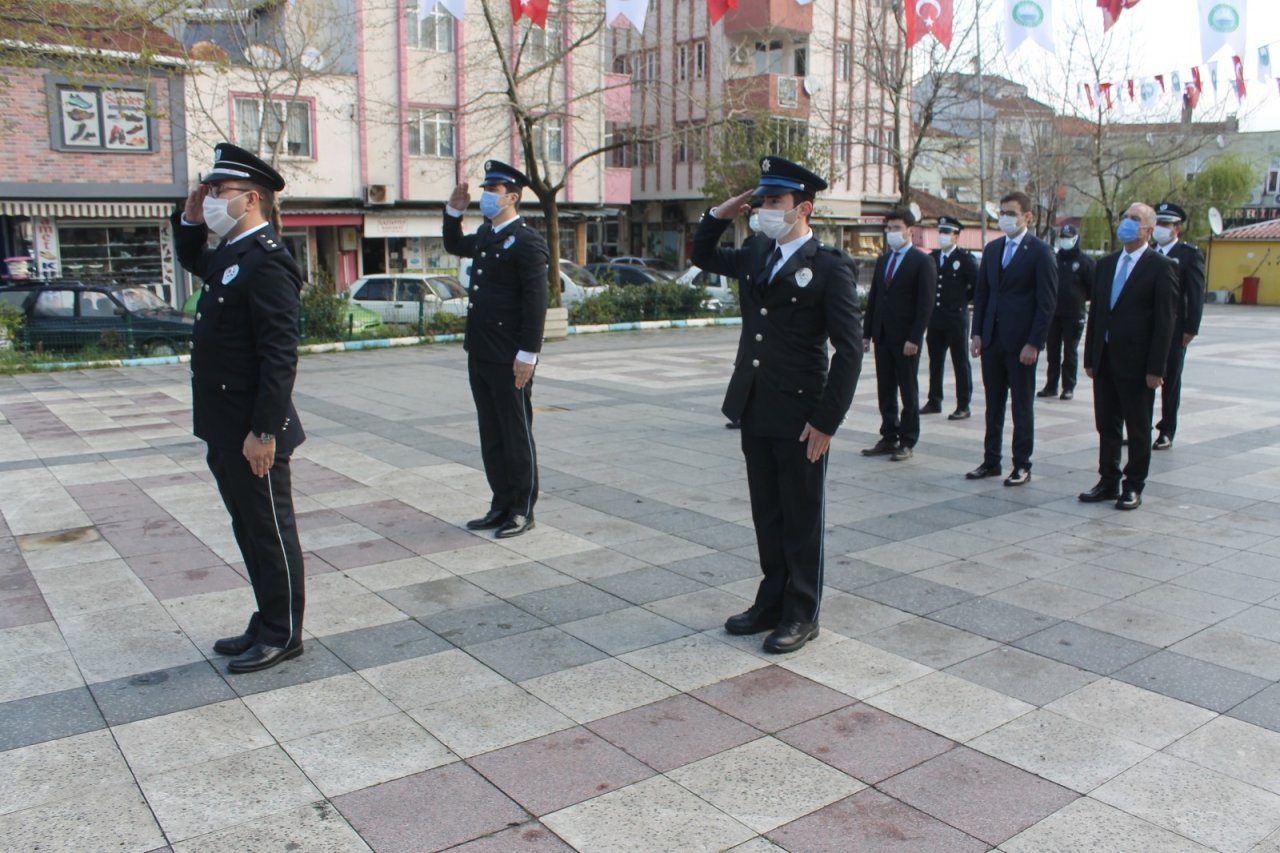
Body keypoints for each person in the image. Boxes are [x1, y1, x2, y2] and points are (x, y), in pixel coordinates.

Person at [692, 156, 862, 654]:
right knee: (767, 512)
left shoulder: (829, 267)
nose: (765, 208)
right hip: (755, 405)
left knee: (801, 515)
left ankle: (801, 611)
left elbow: (849, 351)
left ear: (803, 208)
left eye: (775, 201)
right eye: (762, 200)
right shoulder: (757, 251)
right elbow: (703, 254)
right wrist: (723, 211)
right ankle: (770, 600)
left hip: (802, 413)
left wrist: (827, 421)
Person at [174, 143, 306, 674]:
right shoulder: (233, 253)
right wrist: (189, 219)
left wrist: (264, 431)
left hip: (254, 430)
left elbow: (280, 356)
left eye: (218, 192)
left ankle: (284, 632)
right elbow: (192, 258)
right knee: (248, 528)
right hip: (225, 425)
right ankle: (265, 618)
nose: (209, 198)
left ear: (250, 199)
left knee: (271, 529)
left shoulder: (269, 262)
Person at [444, 160, 549, 539]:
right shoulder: (488, 236)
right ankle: (500, 503)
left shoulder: (527, 241)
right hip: (482, 352)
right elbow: (454, 244)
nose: (487, 197)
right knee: (491, 432)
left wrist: (528, 354)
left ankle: (522, 509)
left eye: (493, 192)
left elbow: (537, 302)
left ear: (513, 197)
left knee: (516, 432)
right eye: (485, 191)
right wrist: (454, 210)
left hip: (510, 357)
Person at [1079, 203, 1177, 510]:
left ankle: (1133, 484)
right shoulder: (1106, 265)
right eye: (1125, 218)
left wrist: (1156, 367)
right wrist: (1091, 356)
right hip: (1106, 358)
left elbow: (1165, 323)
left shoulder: (1161, 267)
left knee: (1137, 427)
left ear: (1148, 229)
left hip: (1137, 364)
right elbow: (1096, 313)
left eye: (1134, 220)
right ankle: (1107, 480)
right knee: (1106, 424)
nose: (1127, 223)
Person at [967, 191, 1058, 486]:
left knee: (1021, 405)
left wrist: (1035, 342)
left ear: (1027, 216)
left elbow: (1046, 303)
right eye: (1002, 213)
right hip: (992, 340)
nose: (1005, 218)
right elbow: (982, 294)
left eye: (1011, 213)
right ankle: (991, 460)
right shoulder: (993, 250)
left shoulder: (1040, 252)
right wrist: (977, 332)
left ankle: (1022, 464)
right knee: (993, 405)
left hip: (1021, 344)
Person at [862, 207, 937, 461]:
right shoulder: (884, 260)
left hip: (906, 339)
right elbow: (874, 298)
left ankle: (907, 439)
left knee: (908, 390)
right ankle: (889, 435)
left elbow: (924, 305)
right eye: (888, 228)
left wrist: (915, 338)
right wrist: (866, 333)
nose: (891, 233)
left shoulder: (922, 261)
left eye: (896, 228)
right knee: (885, 388)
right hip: (883, 335)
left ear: (909, 230)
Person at [1151, 201, 1205, 450]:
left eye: (1166, 224)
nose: (1160, 228)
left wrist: (1190, 328)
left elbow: (1195, 295)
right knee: (1144, 378)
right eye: (1157, 223)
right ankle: (1140, 425)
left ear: (1177, 229)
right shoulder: (1149, 252)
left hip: (1174, 329)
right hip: (1147, 328)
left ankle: (1167, 429)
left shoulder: (1188, 255)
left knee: (1170, 379)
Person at [922, 216, 977, 420]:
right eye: (941, 232)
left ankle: (964, 404)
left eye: (947, 233)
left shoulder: (964, 259)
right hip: (936, 318)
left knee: (960, 362)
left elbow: (976, 287)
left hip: (956, 318)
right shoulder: (932, 258)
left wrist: (961, 301)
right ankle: (934, 399)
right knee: (935, 361)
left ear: (956, 236)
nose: (943, 236)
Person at [1038, 224, 1095, 402]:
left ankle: (1068, 386)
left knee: (1070, 353)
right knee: (1052, 352)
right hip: (1054, 314)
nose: (1064, 240)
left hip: (1074, 314)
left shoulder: (1085, 262)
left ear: (1076, 239)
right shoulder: (1053, 259)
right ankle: (1051, 385)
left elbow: (1092, 289)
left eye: (1068, 237)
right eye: (1062, 237)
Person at [727, 198, 765, 431]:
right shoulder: (751, 243)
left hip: (765, 321)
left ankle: (748, 412)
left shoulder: (771, 245)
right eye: (754, 213)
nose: (757, 218)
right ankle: (741, 411)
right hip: (750, 318)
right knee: (744, 363)